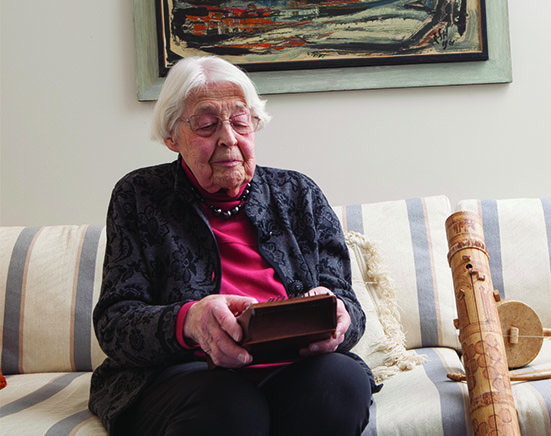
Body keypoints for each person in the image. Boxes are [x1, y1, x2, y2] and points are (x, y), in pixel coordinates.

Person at [89, 56, 375, 436]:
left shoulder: (299, 194)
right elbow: (114, 324)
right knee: (231, 406)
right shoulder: (139, 196)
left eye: (240, 122)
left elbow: (348, 306)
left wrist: (338, 317)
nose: (228, 138)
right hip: (186, 378)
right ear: (172, 136)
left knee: (340, 383)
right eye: (207, 125)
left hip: (292, 371)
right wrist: (190, 321)